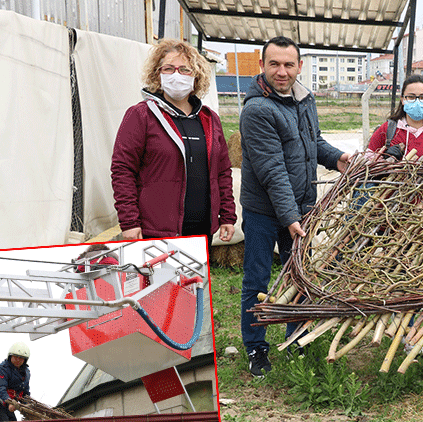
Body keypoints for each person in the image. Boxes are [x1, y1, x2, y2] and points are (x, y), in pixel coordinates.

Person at [239, 36, 350, 377]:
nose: (282, 71)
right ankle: (257, 348)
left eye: (289, 64)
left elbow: (312, 143)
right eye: (274, 64)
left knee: (298, 276)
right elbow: (272, 169)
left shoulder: (304, 99)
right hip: (264, 211)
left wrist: (338, 158)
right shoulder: (257, 110)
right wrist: (289, 217)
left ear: (300, 66)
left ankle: (295, 338)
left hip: (300, 207)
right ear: (262, 66)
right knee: (258, 280)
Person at [111, 38, 236, 253]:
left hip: (201, 229)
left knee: (195, 285)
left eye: (184, 70)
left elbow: (222, 172)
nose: (176, 75)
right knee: (161, 286)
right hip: (158, 230)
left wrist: (227, 215)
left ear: (196, 76)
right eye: (168, 69)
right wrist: (130, 221)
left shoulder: (209, 119)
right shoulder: (142, 115)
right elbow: (123, 170)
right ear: (157, 75)